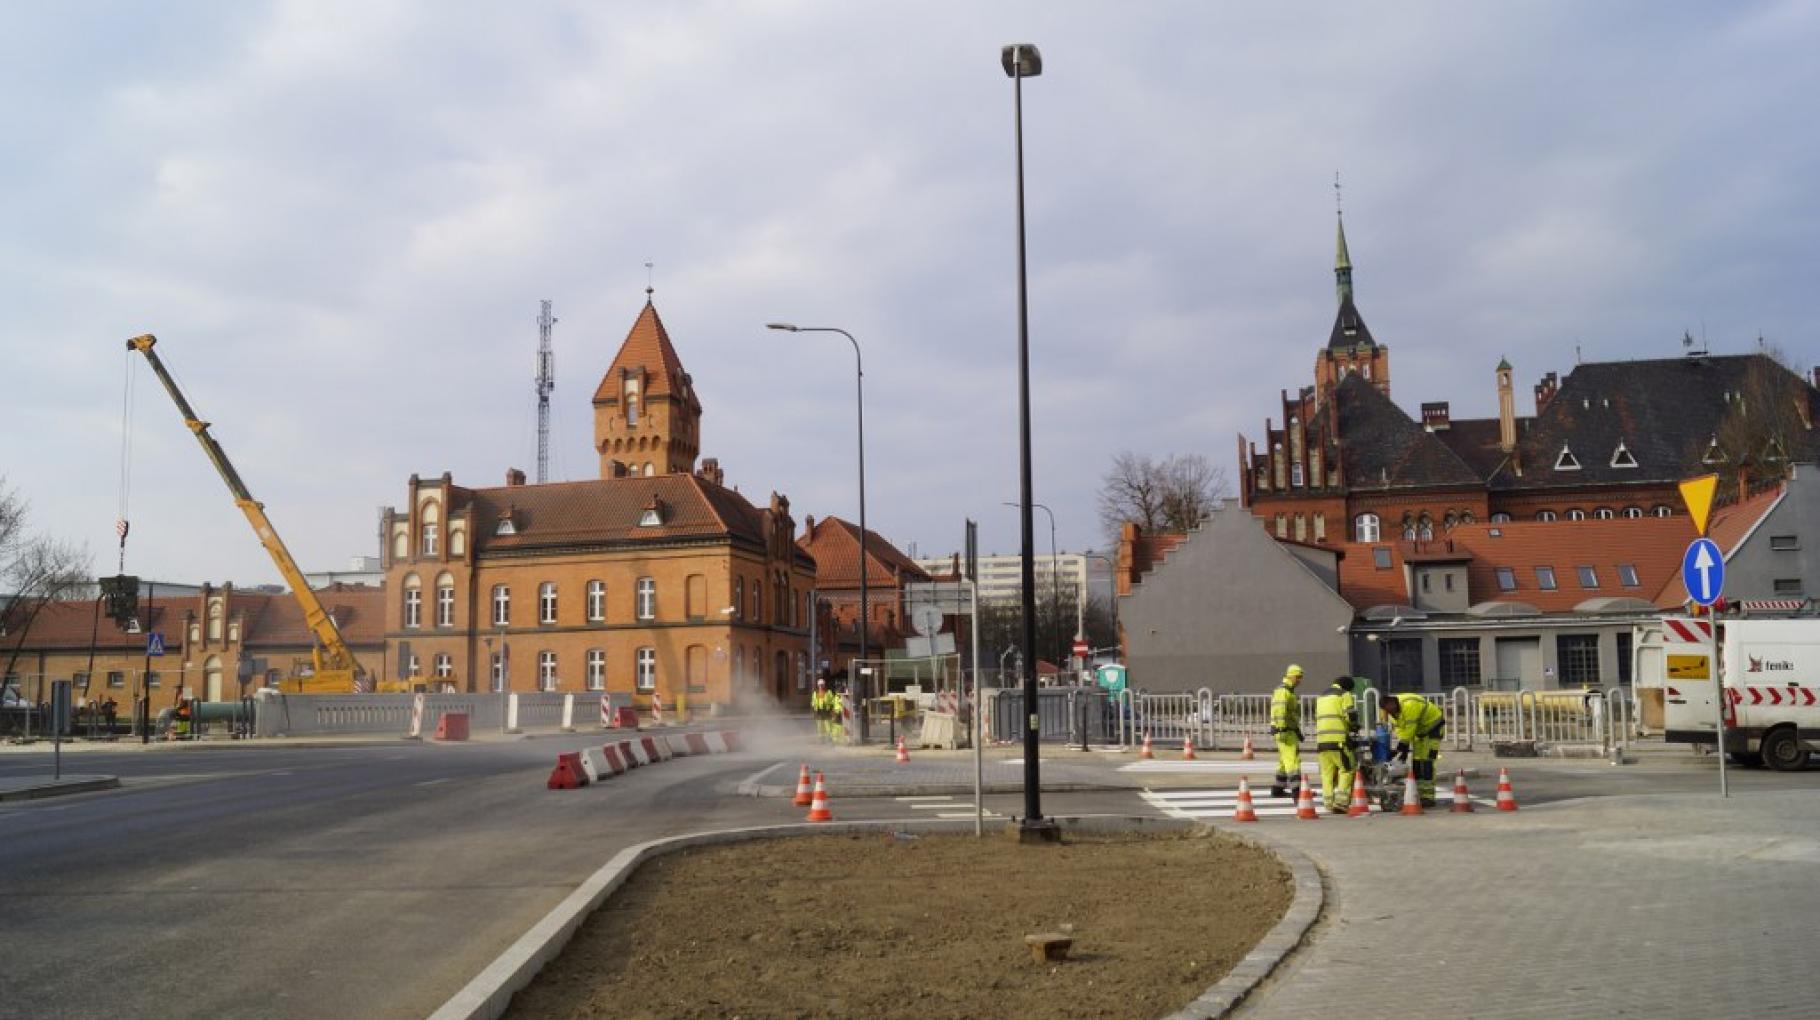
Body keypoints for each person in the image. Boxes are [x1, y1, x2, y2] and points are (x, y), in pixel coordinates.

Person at [1381, 694, 1445, 806]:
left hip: (1433, 729)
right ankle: (1420, 793)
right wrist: (1402, 750)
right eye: (1388, 711)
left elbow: (1410, 729)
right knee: (1417, 762)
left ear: (1393, 702)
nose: (1390, 712)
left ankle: (1428, 797)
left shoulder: (1409, 705)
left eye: (1390, 709)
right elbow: (1401, 730)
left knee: (1426, 762)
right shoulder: (1393, 714)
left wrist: (1402, 747)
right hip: (1420, 732)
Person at [1314, 676, 1360, 813]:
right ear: (1347, 687)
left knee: (1327, 773)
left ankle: (1328, 803)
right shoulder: (1344, 695)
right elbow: (1351, 716)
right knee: (1347, 769)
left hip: (1322, 741)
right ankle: (1341, 803)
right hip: (1338, 740)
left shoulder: (1321, 697)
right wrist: (1354, 726)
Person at [1269, 665, 1304, 798]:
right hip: (1285, 731)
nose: (1300, 680)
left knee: (1284, 761)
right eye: (1298, 677)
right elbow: (1279, 711)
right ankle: (1297, 792)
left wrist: (1297, 730)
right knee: (1293, 761)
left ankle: (1278, 789)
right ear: (1291, 676)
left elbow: (1289, 714)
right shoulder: (1283, 691)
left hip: (1288, 730)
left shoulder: (1288, 691)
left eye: (1301, 677)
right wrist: (1282, 728)